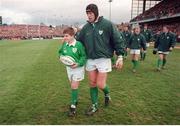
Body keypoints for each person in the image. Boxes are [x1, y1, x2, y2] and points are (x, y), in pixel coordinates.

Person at [76, 4, 125, 116]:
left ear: (96, 13)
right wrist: (70, 45)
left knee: (100, 84)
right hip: (91, 59)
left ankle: (107, 94)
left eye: (91, 13)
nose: (89, 16)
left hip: (104, 59)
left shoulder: (107, 24)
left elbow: (117, 40)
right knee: (92, 83)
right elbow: (79, 42)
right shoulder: (86, 28)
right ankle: (94, 105)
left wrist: (120, 56)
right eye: (87, 13)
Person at [58, 27, 86, 117]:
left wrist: (78, 64)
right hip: (69, 68)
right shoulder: (65, 44)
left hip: (78, 68)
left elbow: (83, 57)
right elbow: (60, 53)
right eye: (64, 36)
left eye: (66, 36)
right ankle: (75, 99)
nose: (64, 38)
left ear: (72, 36)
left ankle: (73, 106)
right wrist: (61, 58)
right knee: (72, 86)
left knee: (74, 86)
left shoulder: (78, 45)